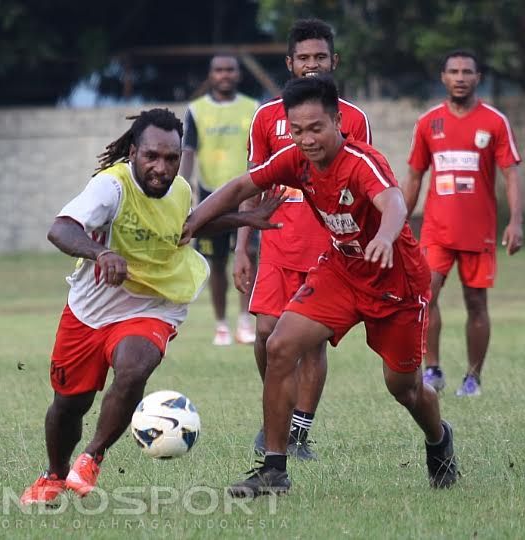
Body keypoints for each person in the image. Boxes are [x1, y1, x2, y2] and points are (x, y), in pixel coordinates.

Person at [182, 75, 458, 498]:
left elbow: (394, 202)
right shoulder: (295, 160)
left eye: (316, 128)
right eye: (297, 130)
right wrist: (190, 223)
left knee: (402, 387)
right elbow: (241, 186)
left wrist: (385, 237)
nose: (306, 139)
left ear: (337, 123)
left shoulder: (361, 161)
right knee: (278, 345)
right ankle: (274, 470)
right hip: (342, 272)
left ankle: (438, 439)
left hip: (396, 284)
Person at [19, 109, 282, 505]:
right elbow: (61, 228)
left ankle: (92, 457)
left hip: (156, 303)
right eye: (152, 157)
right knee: (69, 403)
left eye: (171, 159)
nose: (162, 168)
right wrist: (100, 253)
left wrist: (243, 217)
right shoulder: (111, 187)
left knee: (135, 365)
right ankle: (54, 475)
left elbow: (185, 227)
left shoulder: (179, 191)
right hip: (91, 309)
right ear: (132, 152)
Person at [237, 18, 372, 460]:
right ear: (290, 62)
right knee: (265, 333)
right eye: (304, 58)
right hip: (275, 243)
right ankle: (275, 412)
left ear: (334, 61)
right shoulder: (265, 117)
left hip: (325, 247)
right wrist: (241, 246)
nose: (312, 65)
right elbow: (252, 185)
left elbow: (364, 187)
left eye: (320, 57)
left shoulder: (352, 118)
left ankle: (297, 433)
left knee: (311, 342)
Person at [402, 50, 524, 397]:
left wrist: (516, 222)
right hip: (436, 230)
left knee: (476, 304)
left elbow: (511, 175)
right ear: (443, 77)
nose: (460, 77)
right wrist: (398, 221)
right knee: (426, 296)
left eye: (466, 72)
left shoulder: (494, 122)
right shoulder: (428, 122)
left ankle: (473, 378)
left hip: (479, 232)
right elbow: (413, 177)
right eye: (453, 71)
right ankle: (433, 369)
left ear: (477, 78)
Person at [180, 55, 260, 346]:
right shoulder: (196, 110)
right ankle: (221, 325)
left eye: (230, 69)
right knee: (215, 262)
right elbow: (187, 150)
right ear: (210, 75)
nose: (224, 74)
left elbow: (260, 151)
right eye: (218, 70)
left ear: (238, 74)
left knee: (248, 256)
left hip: (246, 194)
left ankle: (244, 323)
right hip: (209, 196)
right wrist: (182, 187)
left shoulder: (253, 107)